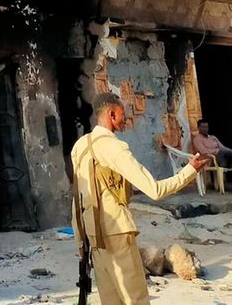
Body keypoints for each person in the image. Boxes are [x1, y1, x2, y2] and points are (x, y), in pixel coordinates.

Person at [71, 92, 207, 305]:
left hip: (92, 236)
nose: (125, 119)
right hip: (117, 233)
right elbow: (154, 190)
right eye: (123, 114)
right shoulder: (114, 147)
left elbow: (77, 198)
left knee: (110, 301)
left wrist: (80, 239)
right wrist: (189, 172)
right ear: (112, 113)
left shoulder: (80, 146)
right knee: (136, 299)